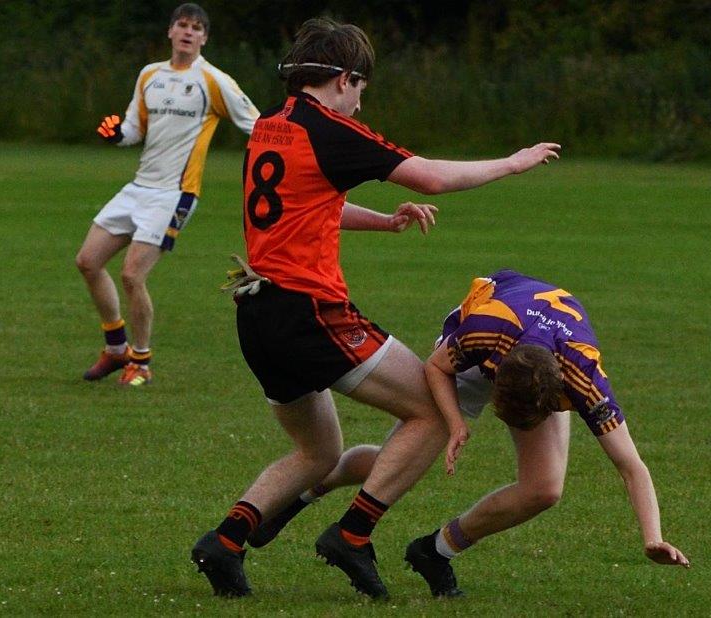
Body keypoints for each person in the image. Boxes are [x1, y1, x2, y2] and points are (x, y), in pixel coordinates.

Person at [189, 17, 561, 599]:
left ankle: (226, 542)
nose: (360, 103)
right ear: (343, 79)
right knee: (435, 410)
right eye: (361, 89)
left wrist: (384, 221)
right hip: (309, 312)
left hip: (254, 308)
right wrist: (512, 163)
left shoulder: (269, 126)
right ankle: (354, 535)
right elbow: (432, 178)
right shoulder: (331, 129)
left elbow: (308, 209)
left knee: (319, 453)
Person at [247, 269, 691, 597]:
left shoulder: (585, 380)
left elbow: (630, 466)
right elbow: (437, 366)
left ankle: (434, 551)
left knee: (544, 489)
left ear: (560, 400)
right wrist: (455, 423)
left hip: (542, 353)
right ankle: (306, 491)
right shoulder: (484, 334)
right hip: (490, 322)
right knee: (414, 445)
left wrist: (652, 537)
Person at [75, 3, 260, 386]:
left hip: (175, 195)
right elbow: (133, 130)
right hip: (139, 188)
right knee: (88, 261)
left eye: (196, 27)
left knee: (131, 275)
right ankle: (115, 349)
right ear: (170, 31)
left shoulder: (213, 80)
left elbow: (256, 124)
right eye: (182, 25)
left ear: (204, 37)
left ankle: (140, 362)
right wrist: (116, 134)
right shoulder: (150, 75)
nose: (188, 32)